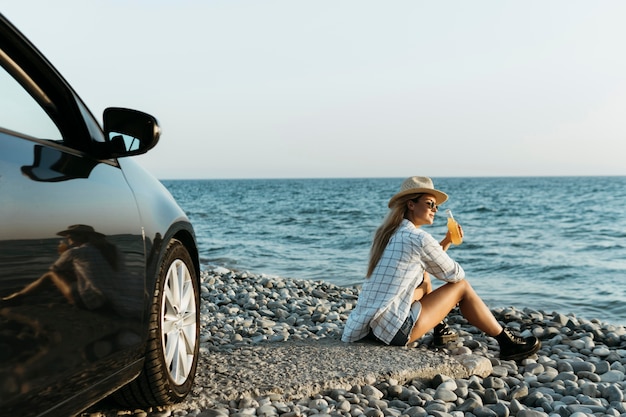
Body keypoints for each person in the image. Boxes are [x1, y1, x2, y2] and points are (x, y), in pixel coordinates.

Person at [341, 176, 540, 361]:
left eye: (436, 206)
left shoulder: (388, 235)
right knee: (461, 287)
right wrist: (443, 248)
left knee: (424, 275)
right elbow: (455, 275)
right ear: (411, 204)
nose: (435, 209)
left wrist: (446, 242)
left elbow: (428, 263)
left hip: (367, 328)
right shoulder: (418, 238)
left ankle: (440, 330)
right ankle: (507, 341)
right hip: (392, 332)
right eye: (430, 204)